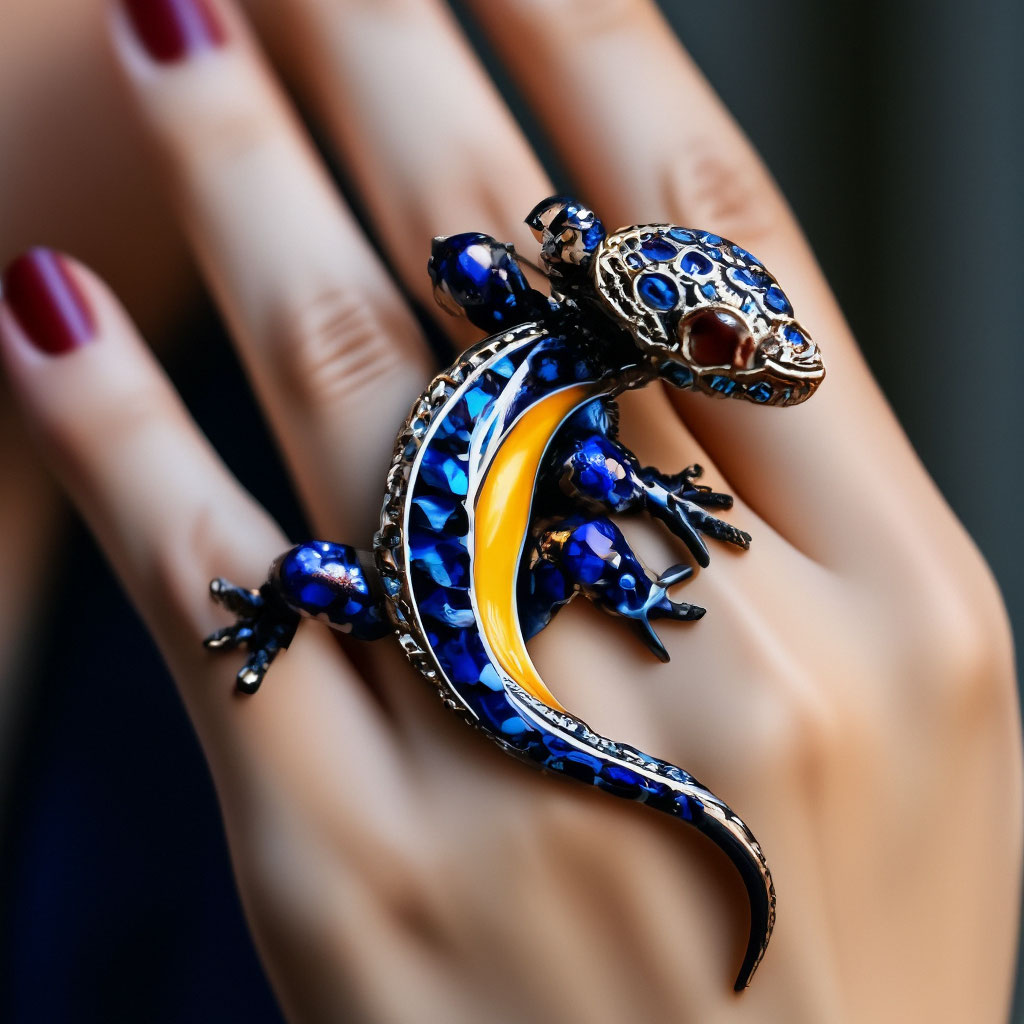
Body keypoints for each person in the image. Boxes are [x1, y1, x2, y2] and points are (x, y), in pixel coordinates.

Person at [1, 0, 1020, 1020]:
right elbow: (596, 476)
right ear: (656, 344)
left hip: (431, 604)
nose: (759, 367)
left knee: (332, 573)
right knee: (480, 556)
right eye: (726, 349)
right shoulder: (574, 402)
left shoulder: (504, 366)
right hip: (452, 614)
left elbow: (466, 271)